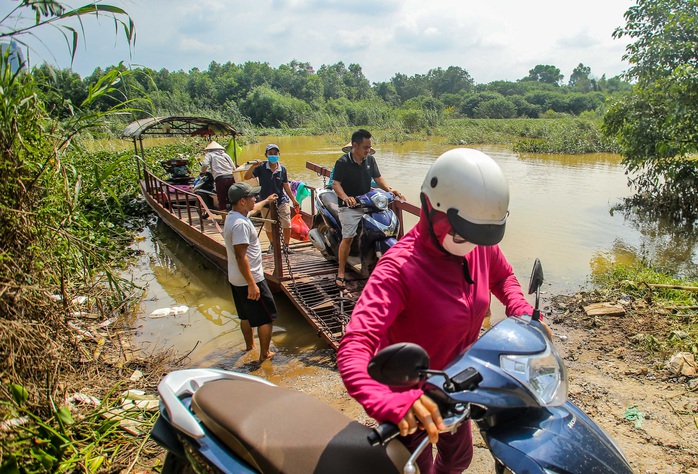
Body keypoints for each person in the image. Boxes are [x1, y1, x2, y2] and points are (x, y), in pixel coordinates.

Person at [337, 148, 545, 474]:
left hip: (455, 382)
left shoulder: (478, 245)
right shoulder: (399, 269)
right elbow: (354, 347)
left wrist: (518, 308)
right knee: (412, 466)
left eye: (479, 236)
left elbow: (503, 276)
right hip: (407, 393)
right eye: (461, 234)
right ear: (429, 208)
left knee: (459, 458)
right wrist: (388, 402)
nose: (472, 246)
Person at [331, 129, 404, 287]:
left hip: (368, 202)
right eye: (365, 147)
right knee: (348, 237)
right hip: (350, 206)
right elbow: (335, 184)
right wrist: (345, 198)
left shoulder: (369, 160)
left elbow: (378, 178)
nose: (368, 150)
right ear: (355, 145)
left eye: (370, 147)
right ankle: (341, 271)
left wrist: (390, 190)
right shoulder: (342, 162)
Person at [224, 182, 280, 361]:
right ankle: (265, 354)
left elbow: (254, 209)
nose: (254, 199)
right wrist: (252, 284)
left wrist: (266, 201)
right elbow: (241, 256)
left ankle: (250, 346)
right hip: (251, 278)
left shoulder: (233, 215)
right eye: (251, 197)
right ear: (242, 201)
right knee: (267, 317)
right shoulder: (240, 225)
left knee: (246, 315)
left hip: (235, 278)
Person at [244, 144, 300, 254]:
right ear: (266, 155)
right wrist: (253, 166)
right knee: (268, 225)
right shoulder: (261, 168)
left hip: (281, 200)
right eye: (271, 154)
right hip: (265, 200)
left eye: (275, 154)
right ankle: (273, 245)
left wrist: (294, 200)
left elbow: (285, 185)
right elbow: (246, 177)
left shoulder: (282, 169)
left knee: (286, 223)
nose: (273, 156)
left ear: (279, 154)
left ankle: (286, 246)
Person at [200, 140, 236, 211]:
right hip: (231, 177)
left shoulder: (210, 155)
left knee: (221, 199)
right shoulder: (225, 155)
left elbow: (204, 164)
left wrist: (202, 172)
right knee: (232, 198)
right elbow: (233, 167)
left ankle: (224, 220)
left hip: (221, 178)